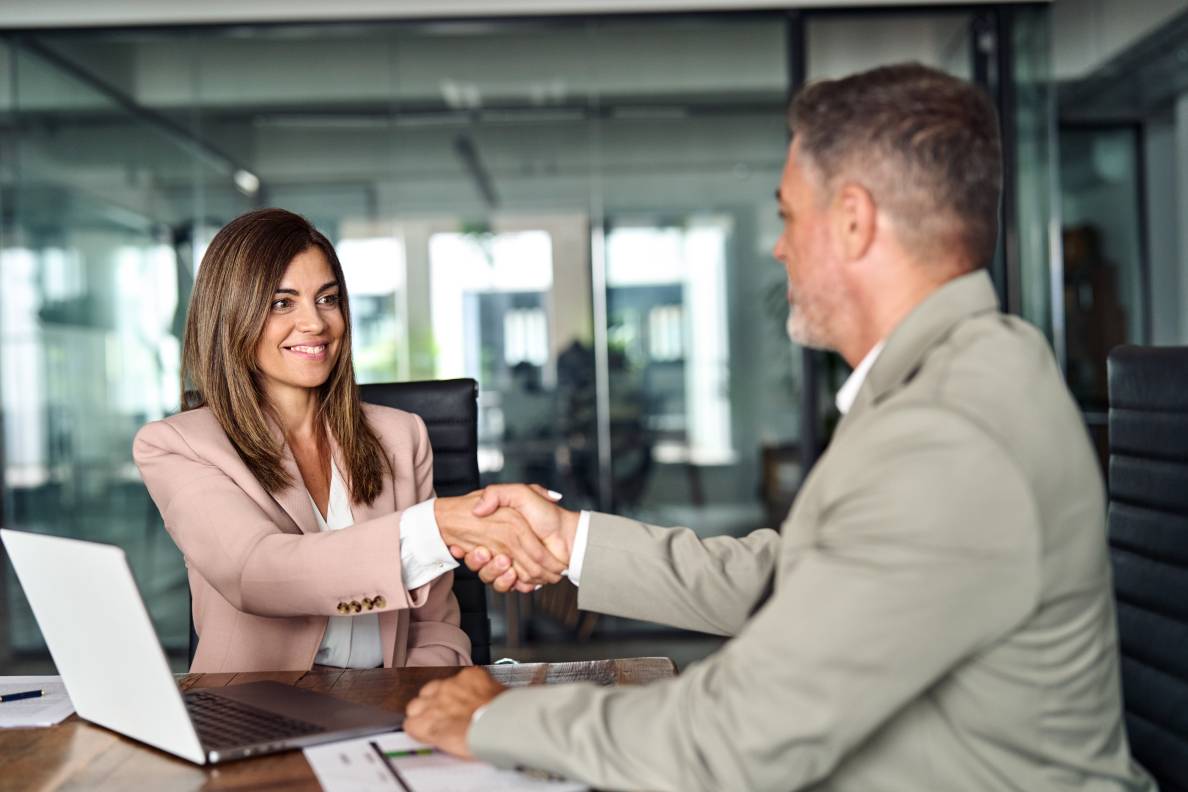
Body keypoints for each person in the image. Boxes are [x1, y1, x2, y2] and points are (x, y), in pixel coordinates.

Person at [403, 64, 1155, 791]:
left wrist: (502, 719)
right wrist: (571, 544)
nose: (779, 245)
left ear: (854, 222)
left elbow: (735, 741)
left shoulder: (949, 434)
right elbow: (789, 579)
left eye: (789, 214)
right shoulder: (979, 366)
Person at [134, 208, 565, 673]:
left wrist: (419, 703)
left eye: (328, 299)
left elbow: (436, 622)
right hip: (256, 710)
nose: (316, 323)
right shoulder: (178, 445)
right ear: (231, 315)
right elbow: (255, 574)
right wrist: (434, 527)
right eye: (282, 303)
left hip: (388, 710)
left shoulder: (402, 436)